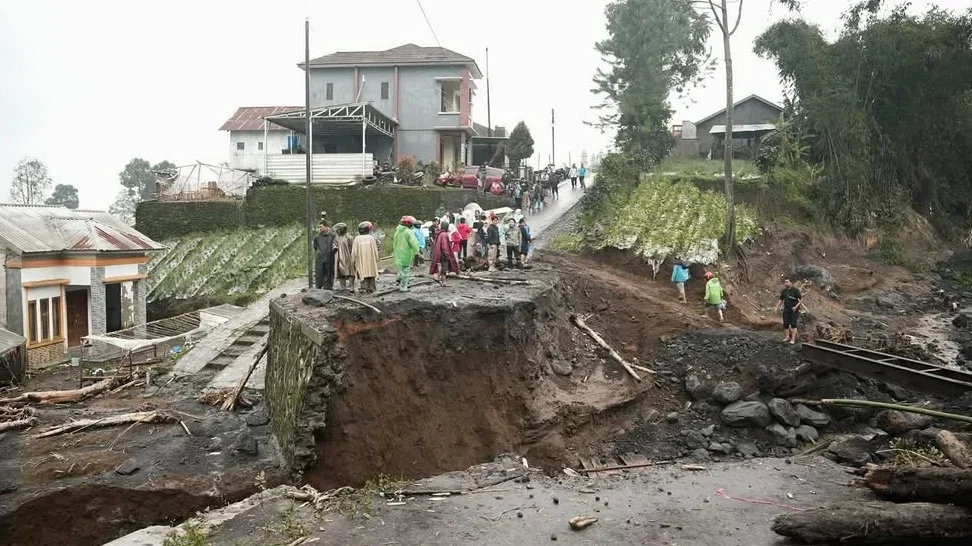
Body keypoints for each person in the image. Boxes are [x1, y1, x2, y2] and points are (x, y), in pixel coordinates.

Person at [393, 216, 420, 292]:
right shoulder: (408, 232)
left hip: (397, 253)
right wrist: (417, 250)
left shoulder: (397, 231)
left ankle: (399, 277)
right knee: (405, 270)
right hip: (406, 253)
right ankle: (403, 287)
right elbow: (414, 243)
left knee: (400, 268)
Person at [351, 221, 380, 293]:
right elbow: (375, 249)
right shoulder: (371, 238)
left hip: (361, 261)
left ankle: (364, 287)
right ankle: (372, 287)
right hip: (371, 260)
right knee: (371, 272)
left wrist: (353, 260)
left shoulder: (357, 239)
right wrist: (377, 258)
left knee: (363, 273)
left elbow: (354, 251)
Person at [430, 220, 459, 285]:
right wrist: (447, 254)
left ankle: (437, 277)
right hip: (443, 254)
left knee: (442, 266)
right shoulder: (444, 235)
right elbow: (444, 245)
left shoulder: (438, 233)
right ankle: (443, 281)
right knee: (444, 267)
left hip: (439, 253)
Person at [776, 278, 804, 344]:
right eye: (785, 282)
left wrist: (796, 307)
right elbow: (781, 299)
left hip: (794, 310)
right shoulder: (784, 291)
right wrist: (776, 306)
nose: (785, 283)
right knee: (786, 324)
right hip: (786, 309)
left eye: (787, 282)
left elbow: (801, 299)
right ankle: (787, 337)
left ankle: (793, 339)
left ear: (791, 282)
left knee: (793, 324)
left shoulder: (795, 290)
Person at [312, 221, 337, 290]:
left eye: (321, 226)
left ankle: (328, 287)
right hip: (320, 257)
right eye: (319, 227)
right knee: (319, 273)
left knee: (329, 272)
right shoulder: (317, 236)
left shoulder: (332, 236)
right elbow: (315, 246)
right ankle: (319, 286)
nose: (320, 228)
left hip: (329, 256)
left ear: (326, 227)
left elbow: (334, 246)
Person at [333, 222, 356, 292]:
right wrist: (334, 247)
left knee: (350, 272)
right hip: (339, 257)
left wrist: (353, 256)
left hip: (348, 257)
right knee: (340, 271)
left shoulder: (348, 237)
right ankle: (343, 286)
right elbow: (334, 245)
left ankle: (352, 287)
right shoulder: (337, 238)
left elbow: (352, 247)